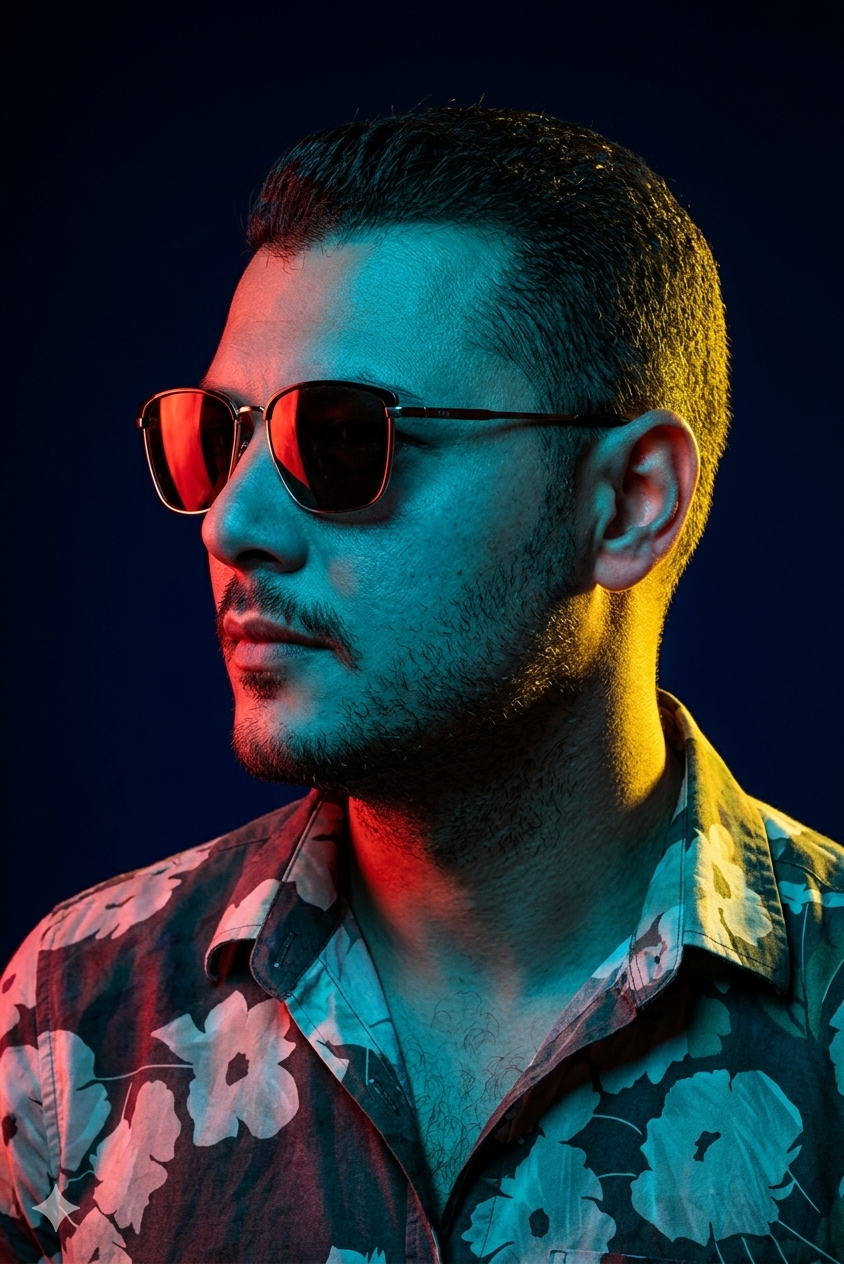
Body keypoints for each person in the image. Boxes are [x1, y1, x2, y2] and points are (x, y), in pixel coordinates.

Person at [1, 107, 841, 1264]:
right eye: (216, 437)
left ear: (628, 501)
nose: (232, 526)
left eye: (340, 439)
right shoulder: (70, 1016)